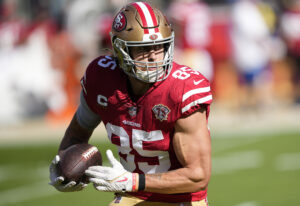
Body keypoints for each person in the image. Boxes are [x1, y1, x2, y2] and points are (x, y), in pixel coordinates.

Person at [49, 2, 212, 206]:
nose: (153, 56)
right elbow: (76, 134)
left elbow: (197, 175)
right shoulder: (101, 78)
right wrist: (63, 166)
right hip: (133, 194)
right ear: (120, 50)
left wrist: (131, 180)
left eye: (159, 46)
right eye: (143, 48)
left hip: (179, 198)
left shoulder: (182, 89)